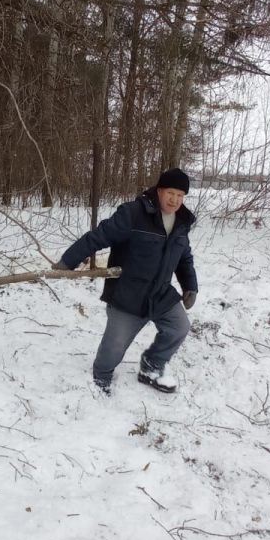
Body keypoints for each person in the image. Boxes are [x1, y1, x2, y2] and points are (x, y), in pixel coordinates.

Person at [53, 168, 197, 395]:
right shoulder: (133, 214)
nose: (175, 200)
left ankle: (152, 365)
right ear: (159, 191)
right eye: (171, 193)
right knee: (114, 347)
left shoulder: (181, 222)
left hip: (160, 294)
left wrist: (190, 285)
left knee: (179, 327)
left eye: (180, 195)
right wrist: (68, 260)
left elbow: (184, 257)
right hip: (128, 294)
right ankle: (100, 378)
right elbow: (99, 236)